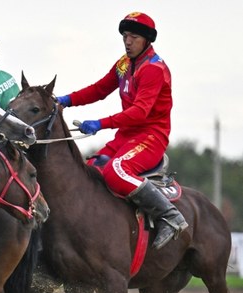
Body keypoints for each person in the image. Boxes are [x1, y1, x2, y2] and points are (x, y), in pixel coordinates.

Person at [55, 11, 188, 250]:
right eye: (125, 36)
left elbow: (140, 112)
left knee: (115, 172)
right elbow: (99, 89)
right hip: (126, 137)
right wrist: (66, 99)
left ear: (147, 40)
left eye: (134, 37)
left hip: (151, 138)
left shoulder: (154, 69)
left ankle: (171, 216)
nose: (127, 41)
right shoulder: (124, 64)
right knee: (88, 170)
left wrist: (100, 123)